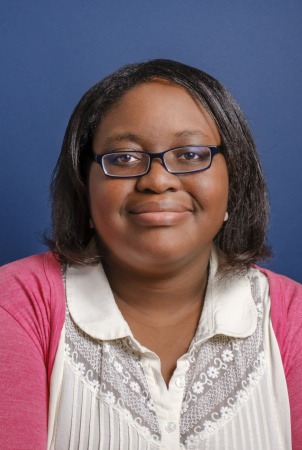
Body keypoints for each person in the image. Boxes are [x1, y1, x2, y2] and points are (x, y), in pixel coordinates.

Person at [0, 59, 301, 450]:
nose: (157, 180)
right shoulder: (16, 306)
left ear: (235, 179)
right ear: (83, 186)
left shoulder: (292, 318)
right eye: (124, 157)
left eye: (191, 154)